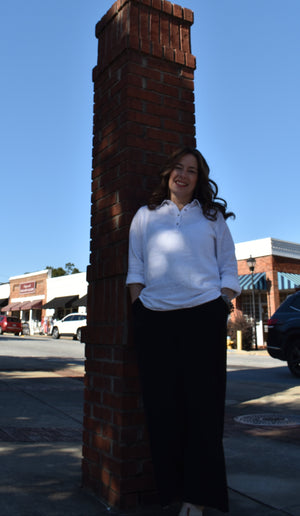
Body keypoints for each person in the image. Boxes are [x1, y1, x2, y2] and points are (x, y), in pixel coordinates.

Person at [126, 147, 241, 515]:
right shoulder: (145, 216)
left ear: (199, 179)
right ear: (167, 174)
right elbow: (136, 267)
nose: (184, 174)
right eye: (178, 167)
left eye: (192, 170)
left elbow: (229, 267)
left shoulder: (212, 217)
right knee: (163, 410)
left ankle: (198, 498)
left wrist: (221, 304)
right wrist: (138, 307)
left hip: (202, 318)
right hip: (155, 319)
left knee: (203, 411)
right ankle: (172, 494)